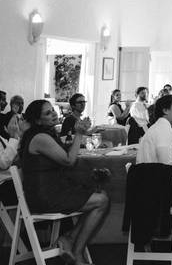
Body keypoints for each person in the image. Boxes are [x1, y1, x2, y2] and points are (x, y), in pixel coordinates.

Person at [19, 99, 110, 264]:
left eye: (52, 110)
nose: (53, 113)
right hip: (45, 195)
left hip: (52, 189)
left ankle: (69, 238)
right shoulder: (40, 137)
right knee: (101, 200)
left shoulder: (44, 133)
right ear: (38, 120)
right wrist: (79, 133)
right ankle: (77, 251)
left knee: (99, 195)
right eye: (47, 113)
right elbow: (69, 161)